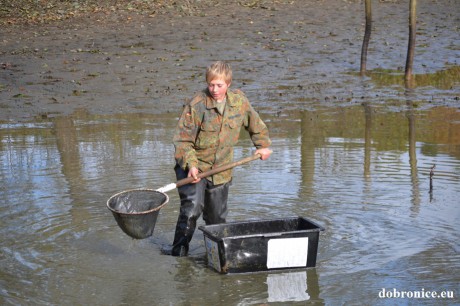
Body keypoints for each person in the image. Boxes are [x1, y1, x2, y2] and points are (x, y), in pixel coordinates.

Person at [169, 61, 272, 256]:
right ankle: (179, 254)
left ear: (228, 84)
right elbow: (182, 141)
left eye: (219, 85)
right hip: (193, 168)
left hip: (221, 170)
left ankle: (216, 256)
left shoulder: (239, 102)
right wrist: (192, 165)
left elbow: (255, 124)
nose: (214, 90)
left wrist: (262, 146)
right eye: (211, 85)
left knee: (216, 219)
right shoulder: (197, 104)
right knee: (192, 210)